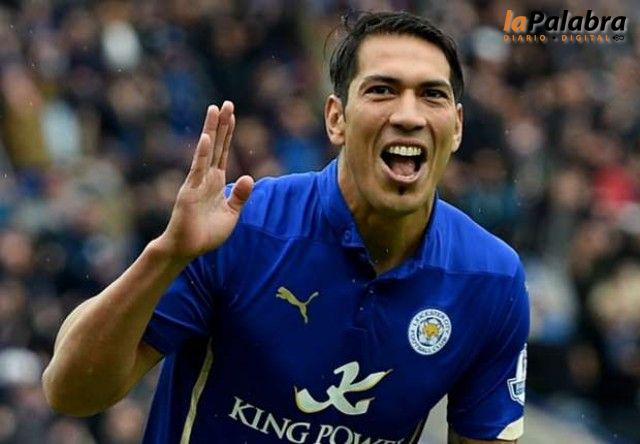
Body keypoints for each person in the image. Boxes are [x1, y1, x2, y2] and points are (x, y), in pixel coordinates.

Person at [42, 11, 529, 444]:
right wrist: (167, 254)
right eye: (381, 90)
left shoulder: (491, 280)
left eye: (431, 95)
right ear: (336, 119)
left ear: (456, 127)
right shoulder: (242, 226)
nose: (407, 115)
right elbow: (71, 392)